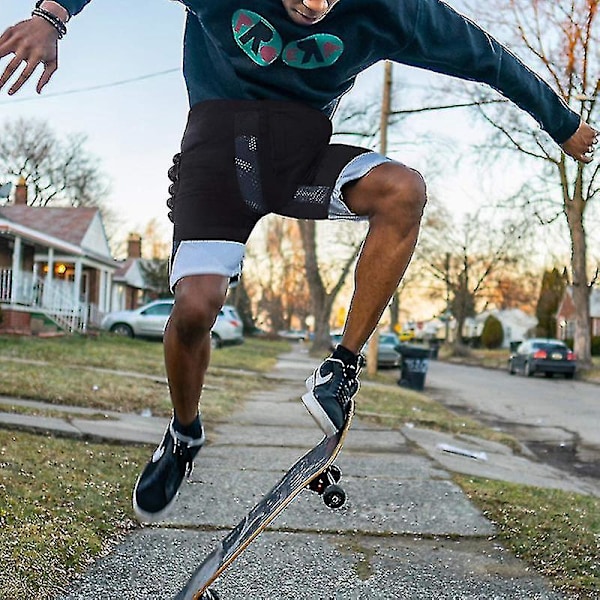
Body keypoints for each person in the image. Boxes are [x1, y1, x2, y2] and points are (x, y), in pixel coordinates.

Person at [1, 0, 596, 523]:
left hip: (301, 159)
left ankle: (341, 365)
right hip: (214, 162)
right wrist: (52, 16)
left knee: (403, 190)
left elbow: (487, 57)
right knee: (194, 308)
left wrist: (562, 122)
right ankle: (184, 433)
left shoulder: (394, 9)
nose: (312, 5)